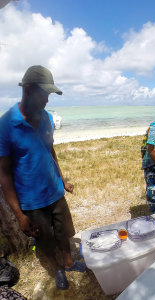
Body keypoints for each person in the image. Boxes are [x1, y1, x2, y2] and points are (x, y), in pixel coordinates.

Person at [0, 65, 86, 291]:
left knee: (64, 231)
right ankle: (58, 268)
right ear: (28, 89)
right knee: (45, 239)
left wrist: (62, 179)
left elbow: (50, 150)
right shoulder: (6, 124)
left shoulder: (47, 117)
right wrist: (19, 214)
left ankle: (68, 261)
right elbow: (4, 173)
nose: (48, 100)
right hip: (32, 199)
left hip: (55, 190)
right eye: (44, 94)